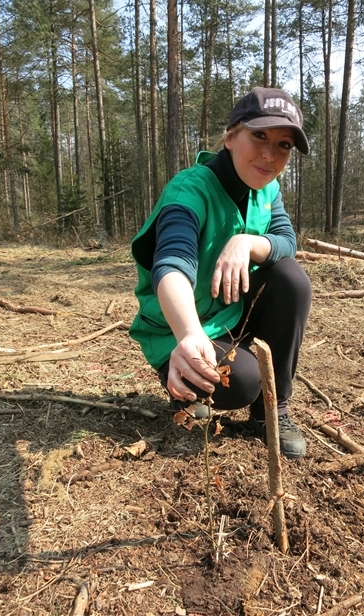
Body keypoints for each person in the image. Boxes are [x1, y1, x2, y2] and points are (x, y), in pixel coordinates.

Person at [129, 87, 312, 458]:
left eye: (283, 145)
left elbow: (286, 240)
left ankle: (272, 411)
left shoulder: (267, 189)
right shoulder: (190, 189)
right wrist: (188, 333)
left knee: (291, 279)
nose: (269, 154)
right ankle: (180, 382)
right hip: (177, 327)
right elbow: (172, 262)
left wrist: (247, 242)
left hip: (227, 312)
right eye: (259, 136)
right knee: (243, 381)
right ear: (230, 136)